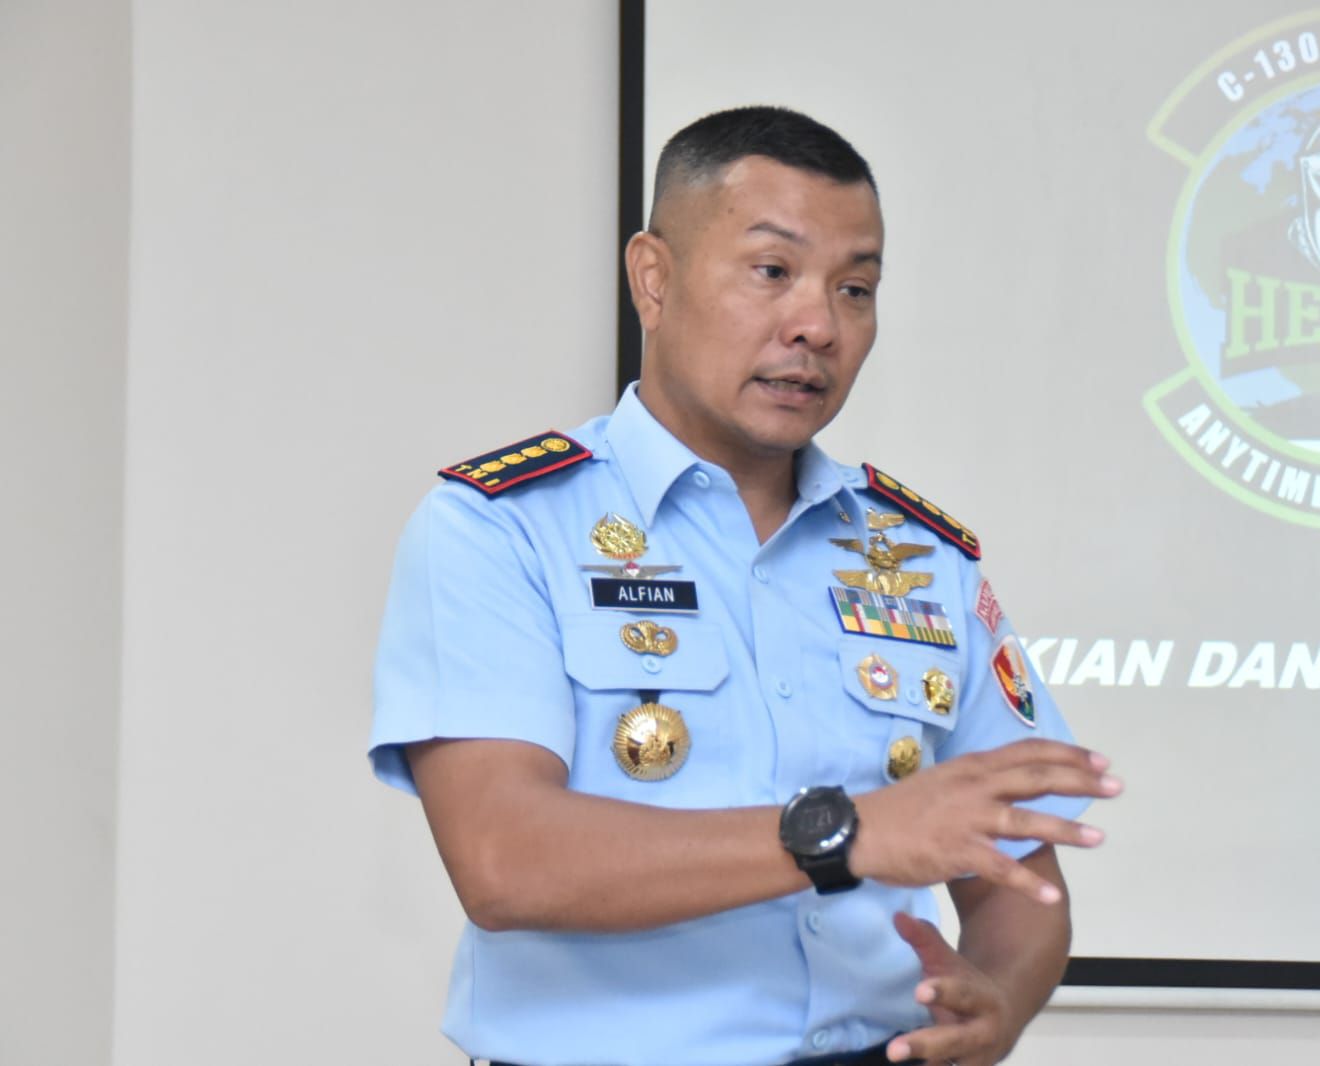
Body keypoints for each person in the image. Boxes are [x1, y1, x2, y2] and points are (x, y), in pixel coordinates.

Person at [369, 105, 1120, 1066]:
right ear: (653, 277)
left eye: (855, 289)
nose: (817, 326)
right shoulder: (501, 527)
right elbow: (503, 861)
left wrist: (999, 1000)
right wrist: (841, 836)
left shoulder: (921, 556)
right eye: (772, 272)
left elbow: (1017, 875)